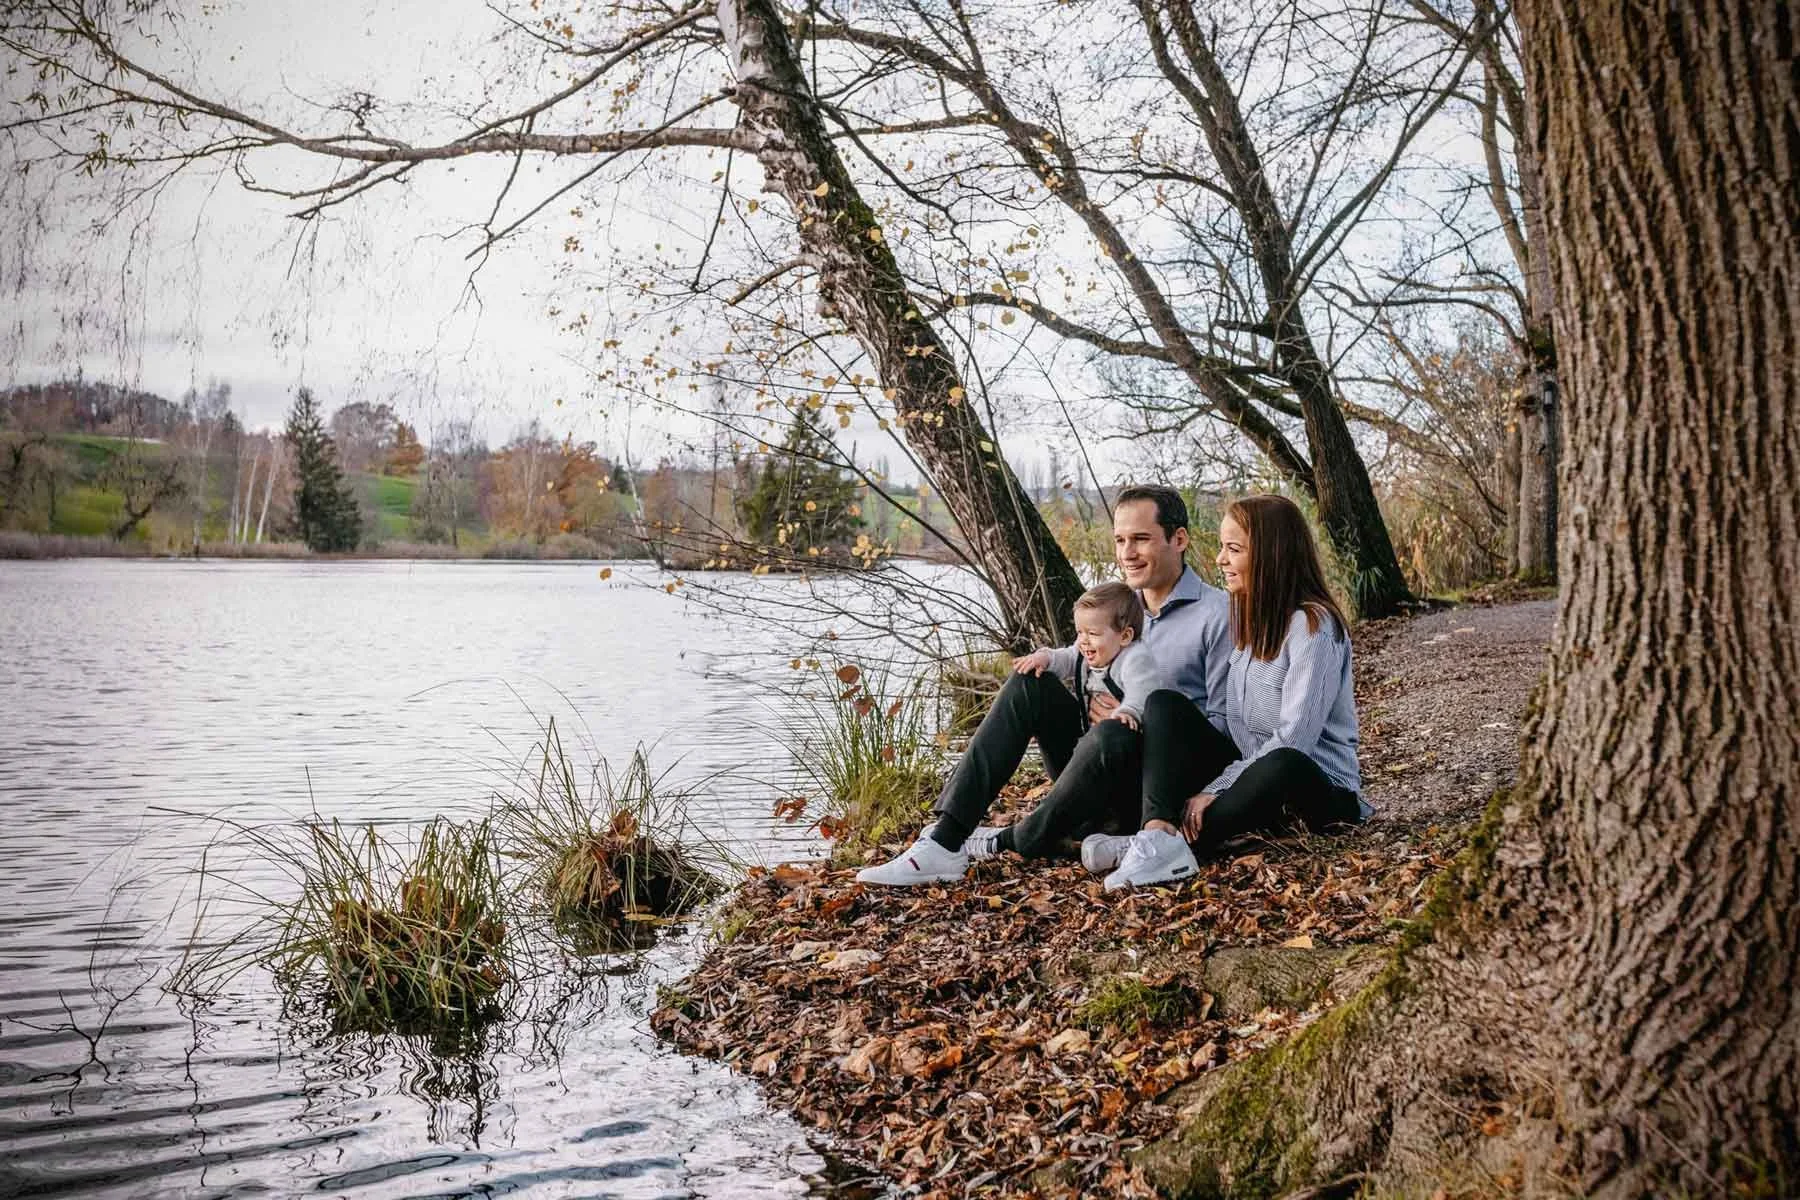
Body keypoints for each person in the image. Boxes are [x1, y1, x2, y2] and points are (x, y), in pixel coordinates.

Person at [856, 485, 1231, 886]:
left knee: (1125, 725)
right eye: (1120, 540)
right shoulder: (1117, 606)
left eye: (1141, 539)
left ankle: (1025, 837)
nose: (1127, 553)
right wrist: (1050, 662)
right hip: (1095, 772)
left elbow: (1226, 725)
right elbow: (1075, 657)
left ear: (1179, 539)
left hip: (1157, 790)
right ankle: (944, 842)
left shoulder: (1218, 613)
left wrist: (1136, 714)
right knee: (1028, 684)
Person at [1088, 494, 1368, 891]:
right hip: (1250, 774)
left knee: (1281, 763)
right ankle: (1155, 834)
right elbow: (1233, 732)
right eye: (1222, 547)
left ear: (1272, 556)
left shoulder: (1314, 627)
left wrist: (1217, 788)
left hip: (1315, 786)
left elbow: (1295, 740)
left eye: (1233, 549)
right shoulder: (1249, 621)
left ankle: (1154, 846)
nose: (1220, 559)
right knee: (1163, 703)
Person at [1012, 581, 1168, 733]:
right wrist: (1045, 658)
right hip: (1085, 735)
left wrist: (1128, 712)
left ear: (1125, 636)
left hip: (1120, 743)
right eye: (1080, 632)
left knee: (1107, 732)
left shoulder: (1136, 659)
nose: (1083, 640)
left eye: (1092, 633)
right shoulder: (1086, 651)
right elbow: (1067, 658)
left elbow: (1142, 692)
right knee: (1026, 679)